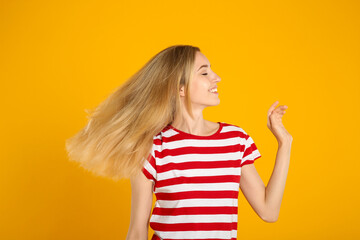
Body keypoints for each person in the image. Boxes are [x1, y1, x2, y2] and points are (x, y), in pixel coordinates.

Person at [65, 45, 293, 240]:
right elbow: (136, 231)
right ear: (179, 87)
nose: (217, 77)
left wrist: (285, 143)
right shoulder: (151, 147)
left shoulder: (236, 140)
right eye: (204, 73)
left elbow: (269, 211)